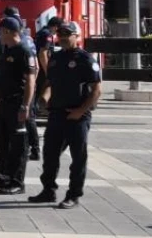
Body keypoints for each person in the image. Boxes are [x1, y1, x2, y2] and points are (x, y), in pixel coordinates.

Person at [29, 21, 101, 209]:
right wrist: (44, 99)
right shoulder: (55, 58)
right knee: (50, 154)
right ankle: (48, 191)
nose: (62, 38)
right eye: (60, 35)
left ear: (77, 36)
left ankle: (73, 195)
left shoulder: (86, 59)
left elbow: (96, 90)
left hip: (77, 115)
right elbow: (50, 83)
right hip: (56, 114)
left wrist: (80, 111)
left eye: (67, 34)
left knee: (78, 158)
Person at [0, 17, 37, 196]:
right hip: (4, 102)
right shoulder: (7, 50)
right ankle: (3, 177)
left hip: (17, 103)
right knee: (3, 142)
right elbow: (4, 79)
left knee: (19, 144)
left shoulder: (24, 51)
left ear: (9, 31)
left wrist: (26, 106)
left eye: (1, 31)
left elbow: (30, 80)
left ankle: (17, 181)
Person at [29, 17, 62, 161]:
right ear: (55, 26)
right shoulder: (47, 34)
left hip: (41, 71)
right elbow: (42, 53)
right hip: (42, 72)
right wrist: (49, 72)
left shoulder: (43, 32)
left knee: (35, 103)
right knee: (34, 104)